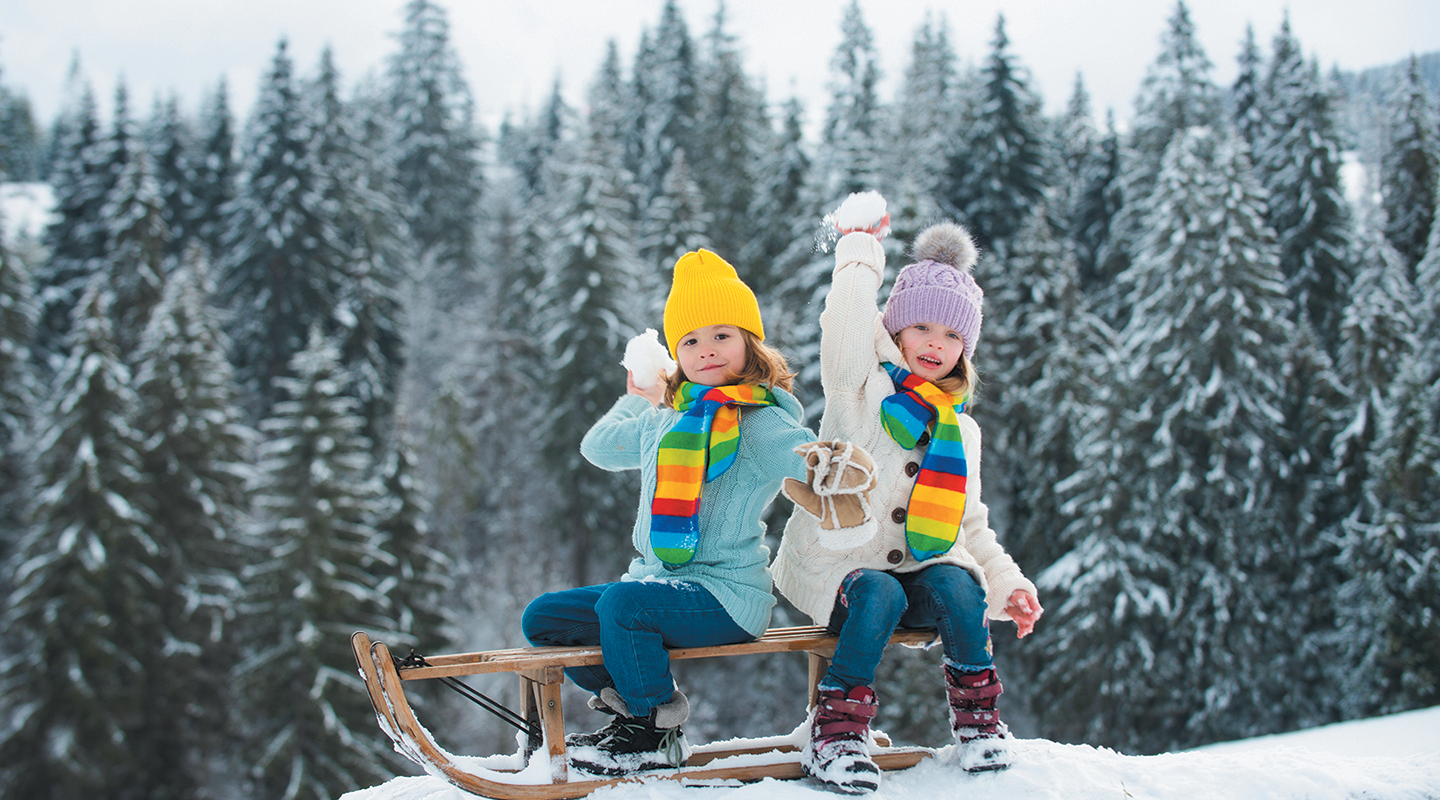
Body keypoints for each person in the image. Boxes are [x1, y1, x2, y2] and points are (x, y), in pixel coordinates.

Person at [773, 214, 1044, 792]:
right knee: (879, 589)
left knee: (958, 583)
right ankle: (837, 736)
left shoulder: (959, 431)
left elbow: (970, 526)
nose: (935, 344)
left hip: (918, 574)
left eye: (951, 336)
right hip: (845, 573)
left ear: (964, 350)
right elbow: (844, 323)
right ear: (896, 331)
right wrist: (861, 248)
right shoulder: (861, 388)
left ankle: (979, 725)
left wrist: (1010, 585)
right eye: (921, 327)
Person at [521, 249, 817, 777]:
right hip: (655, 588)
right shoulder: (667, 421)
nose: (706, 350)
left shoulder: (760, 421)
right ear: (677, 355)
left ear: (750, 341)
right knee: (544, 618)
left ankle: (652, 728)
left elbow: (807, 456)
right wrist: (642, 395)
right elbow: (598, 446)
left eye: (721, 335)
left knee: (623, 605)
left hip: (727, 597)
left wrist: (834, 465)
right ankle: (632, 706)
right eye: (690, 341)